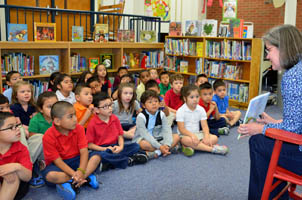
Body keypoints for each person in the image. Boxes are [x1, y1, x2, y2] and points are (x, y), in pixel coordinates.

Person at [238, 24, 302, 200]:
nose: (267, 56)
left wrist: (259, 129)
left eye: (269, 50)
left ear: (284, 48)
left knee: (258, 142)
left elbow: (293, 131)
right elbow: (298, 122)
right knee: (268, 141)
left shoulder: (292, 78)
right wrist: (275, 124)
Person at [42, 101, 101, 200]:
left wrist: (81, 170)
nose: (75, 119)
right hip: (59, 165)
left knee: (97, 157)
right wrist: (74, 174)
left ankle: (70, 182)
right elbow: (58, 161)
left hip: (77, 160)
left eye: (75, 115)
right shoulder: (48, 136)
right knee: (50, 176)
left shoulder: (79, 128)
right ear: (57, 121)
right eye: (70, 116)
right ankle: (85, 178)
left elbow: (84, 151)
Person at [86, 92, 147, 170]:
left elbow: (120, 135)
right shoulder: (92, 123)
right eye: (105, 107)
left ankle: (110, 164)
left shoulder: (114, 118)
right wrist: (105, 149)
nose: (110, 108)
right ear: (97, 110)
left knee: (135, 146)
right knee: (96, 156)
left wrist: (121, 147)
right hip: (102, 149)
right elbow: (90, 145)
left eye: (110, 105)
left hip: (116, 146)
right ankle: (128, 160)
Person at [177, 85, 229, 157]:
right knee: (186, 140)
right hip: (186, 135)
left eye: (197, 97)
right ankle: (212, 149)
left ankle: (190, 147)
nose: (195, 99)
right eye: (191, 97)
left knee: (215, 138)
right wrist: (192, 136)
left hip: (198, 133)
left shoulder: (201, 109)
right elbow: (181, 129)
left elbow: (204, 126)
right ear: (185, 98)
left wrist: (207, 136)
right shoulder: (181, 111)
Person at [133, 90, 180, 159]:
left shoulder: (161, 114)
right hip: (145, 139)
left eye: (156, 101)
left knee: (177, 136)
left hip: (159, 137)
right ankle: (166, 149)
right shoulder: (141, 116)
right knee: (142, 144)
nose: (154, 104)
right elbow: (145, 135)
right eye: (150, 102)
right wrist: (160, 146)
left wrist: (167, 144)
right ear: (143, 105)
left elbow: (167, 130)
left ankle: (158, 152)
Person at [28, 91, 58, 187]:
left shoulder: (60, 117)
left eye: (56, 106)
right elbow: (33, 138)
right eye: (49, 107)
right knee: (40, 138)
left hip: (57, 148)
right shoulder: (36, 120)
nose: (54, 109)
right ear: (41, 109)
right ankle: (29, 167)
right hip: (43, 150)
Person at [0, 112, 32, 200]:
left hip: (15, 187)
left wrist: (16, 166)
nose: (17, 129)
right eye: (11, 127)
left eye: (17, 125)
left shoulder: (21, 148)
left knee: (12, 175)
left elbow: (28, 177)